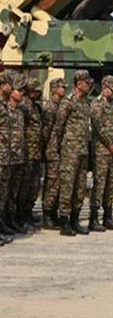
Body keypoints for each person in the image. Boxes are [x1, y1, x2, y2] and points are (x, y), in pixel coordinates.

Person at [51, 70, 98, 236]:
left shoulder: (86, 103)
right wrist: (60, 148)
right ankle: (64, 221)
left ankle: (74, 220)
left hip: (83, 150)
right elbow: (58, 127)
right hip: (70, 151)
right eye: (87, 82)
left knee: (80, 187)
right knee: (67, 185)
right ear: (79, 84)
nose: (89, 85)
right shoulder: (67, 102)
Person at [90, 75, 113, 232]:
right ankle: (94, 218)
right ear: (104, 88)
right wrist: (110, 145)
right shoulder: (97, 105)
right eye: (111, 90)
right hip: (102, 151)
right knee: (100, 184)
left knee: (111, 184)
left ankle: (107, 217)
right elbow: (98, 128)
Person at [40, 78, 67, 230]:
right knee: (52, 182)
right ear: (55, 89)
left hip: (59, 149)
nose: (64, 89)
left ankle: (53, 212)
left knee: (58, 183)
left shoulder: (61, 106)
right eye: (61, 87)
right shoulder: (50, 107)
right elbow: (46, 131)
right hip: (52, 149)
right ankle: (47, 214)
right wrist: (46, 148)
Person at [17, 78, 44, 230]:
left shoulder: (35, 107)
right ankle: (21, 216)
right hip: (27, 151)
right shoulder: (24, 106)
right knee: (25, 186)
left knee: (34, 185)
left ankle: (28, 212)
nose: (39, 93)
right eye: (36, 91)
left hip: (36, 151)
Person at [3, 74, 27, 234]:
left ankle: (10, 220)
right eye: (20, 90)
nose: (22, 93)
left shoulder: (19, 113)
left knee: (13, 192)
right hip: (5, 158)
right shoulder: (4, 110)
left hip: (17, 157)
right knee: (3, 193)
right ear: (12, 92)